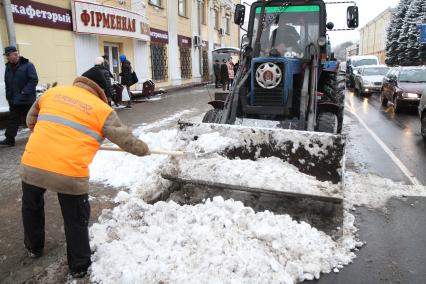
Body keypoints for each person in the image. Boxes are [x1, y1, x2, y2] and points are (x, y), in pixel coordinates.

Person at [20, 68, 150, 278]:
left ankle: (33, 247)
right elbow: (126, 140)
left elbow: (30, 121)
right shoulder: (102, 109)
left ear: (81, 81)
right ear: (101, 90)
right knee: (75, 218)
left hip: (33, 163)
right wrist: (145, 150)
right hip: (69, 173)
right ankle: (79, 266)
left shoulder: (51, 93)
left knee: (31, 207)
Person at [0, 46, 38, 147]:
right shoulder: (8, 67)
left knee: (32, 119)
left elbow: (33, 80)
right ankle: (10, 139)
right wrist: (8, 96)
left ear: (15, 54)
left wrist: (25, 91)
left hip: (26, 99)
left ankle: (41, 136)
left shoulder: (28, 65)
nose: (7, 57)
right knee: (13, 119)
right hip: (14, 99)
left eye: (8, 55)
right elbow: (7, 83)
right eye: (6, 55)